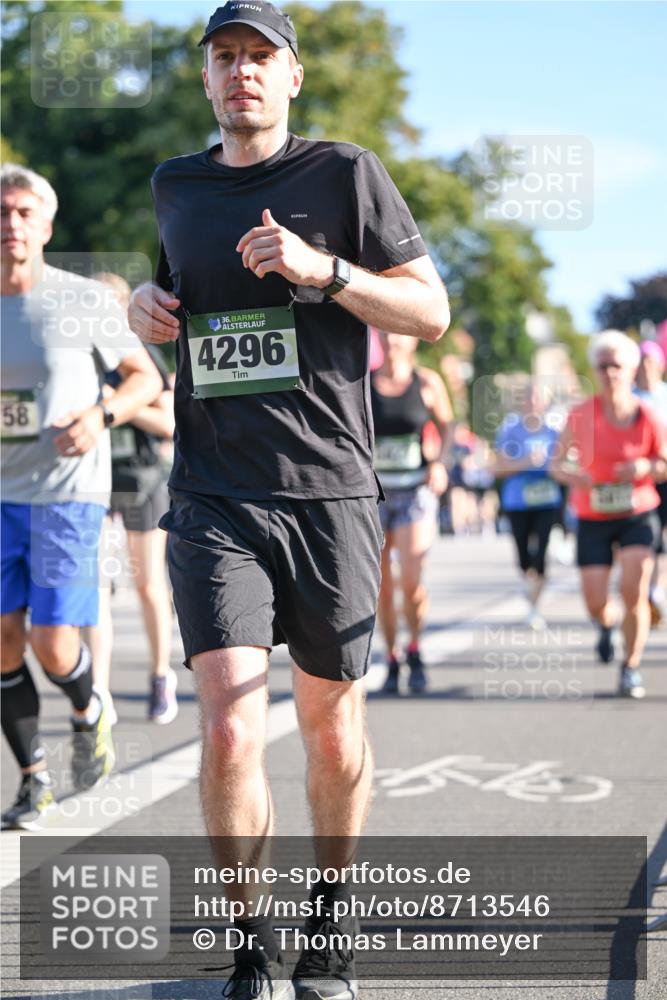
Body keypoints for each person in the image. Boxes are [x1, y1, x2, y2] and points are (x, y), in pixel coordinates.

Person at [127, 2, 449, 997]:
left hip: (331, 491)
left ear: (292, 76)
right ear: (208, 78)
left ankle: (330, 925)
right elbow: (170, 304)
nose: (240, 74)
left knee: (330, 727)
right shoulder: (173, 186)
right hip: (215, 490)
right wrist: (145, 313)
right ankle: (252, 943)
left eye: (259, 58)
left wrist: (326, 271)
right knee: (227, 721)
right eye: (222, 58)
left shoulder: (344, 175)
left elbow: (430, 312)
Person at [0, 164, 161, 829]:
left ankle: (87, 707)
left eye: (23, 213)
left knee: (51, 640)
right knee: (3, 640)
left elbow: (143, 379)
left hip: (68, 493)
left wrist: (102, 416)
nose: (11, 225)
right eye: (1, 212)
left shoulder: (80, 301)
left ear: (45, 225)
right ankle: (33, 777)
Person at [549, 330, 667, 699]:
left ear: (632, 369)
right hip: (593, 516)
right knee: (596, 600)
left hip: (638, 512)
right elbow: (555, 465)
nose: (610, 372)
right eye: (603, 365)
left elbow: (664, 463)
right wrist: (576, 476)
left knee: (634, 590)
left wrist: (644, 468)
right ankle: (606, 624)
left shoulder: (648, 414)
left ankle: (630, 666)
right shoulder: (581, 413)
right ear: (595, 371)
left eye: (617, 365)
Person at [84, 273, 177, 725]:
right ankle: (99, 688)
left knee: (147, 584)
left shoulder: (141, 359)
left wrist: (118, 404)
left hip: (142, 480)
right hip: (96, 483)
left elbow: (170, 423)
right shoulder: (79, 359)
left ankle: (161, 675)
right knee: (94, 587)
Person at [371, 330, 451, 693]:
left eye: (399, 335)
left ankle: (415, 647)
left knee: (412, 582)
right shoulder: (364, 380)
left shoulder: (427, 381)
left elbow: (448, 427)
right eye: (384, 334)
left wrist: (441, 463)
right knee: (384, 588)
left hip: (416, 490)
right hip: (375, 494)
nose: (392, 341)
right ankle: (391, 658)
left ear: (413, 341)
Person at [494, 382, 563, 629]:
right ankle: (528, 582)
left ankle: (535, 607)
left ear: (545, 402)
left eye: (538, 398)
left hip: (547, 499)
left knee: (541, 551)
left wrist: (557, 468)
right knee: (523, 555)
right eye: (529, 398)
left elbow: (564, 464)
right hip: (517, 500)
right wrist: (525, 462)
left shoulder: (555, 430)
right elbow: (499, 467)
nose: (533, 403)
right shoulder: (510, 429)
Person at [634, 340, 667, 625]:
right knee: (647, 539)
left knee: (664, 539)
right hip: (640, 481)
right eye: (641, 363)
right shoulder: (628, 399)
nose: (646, 368)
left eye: (650, 363)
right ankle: (644, 590)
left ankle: (656, 589)